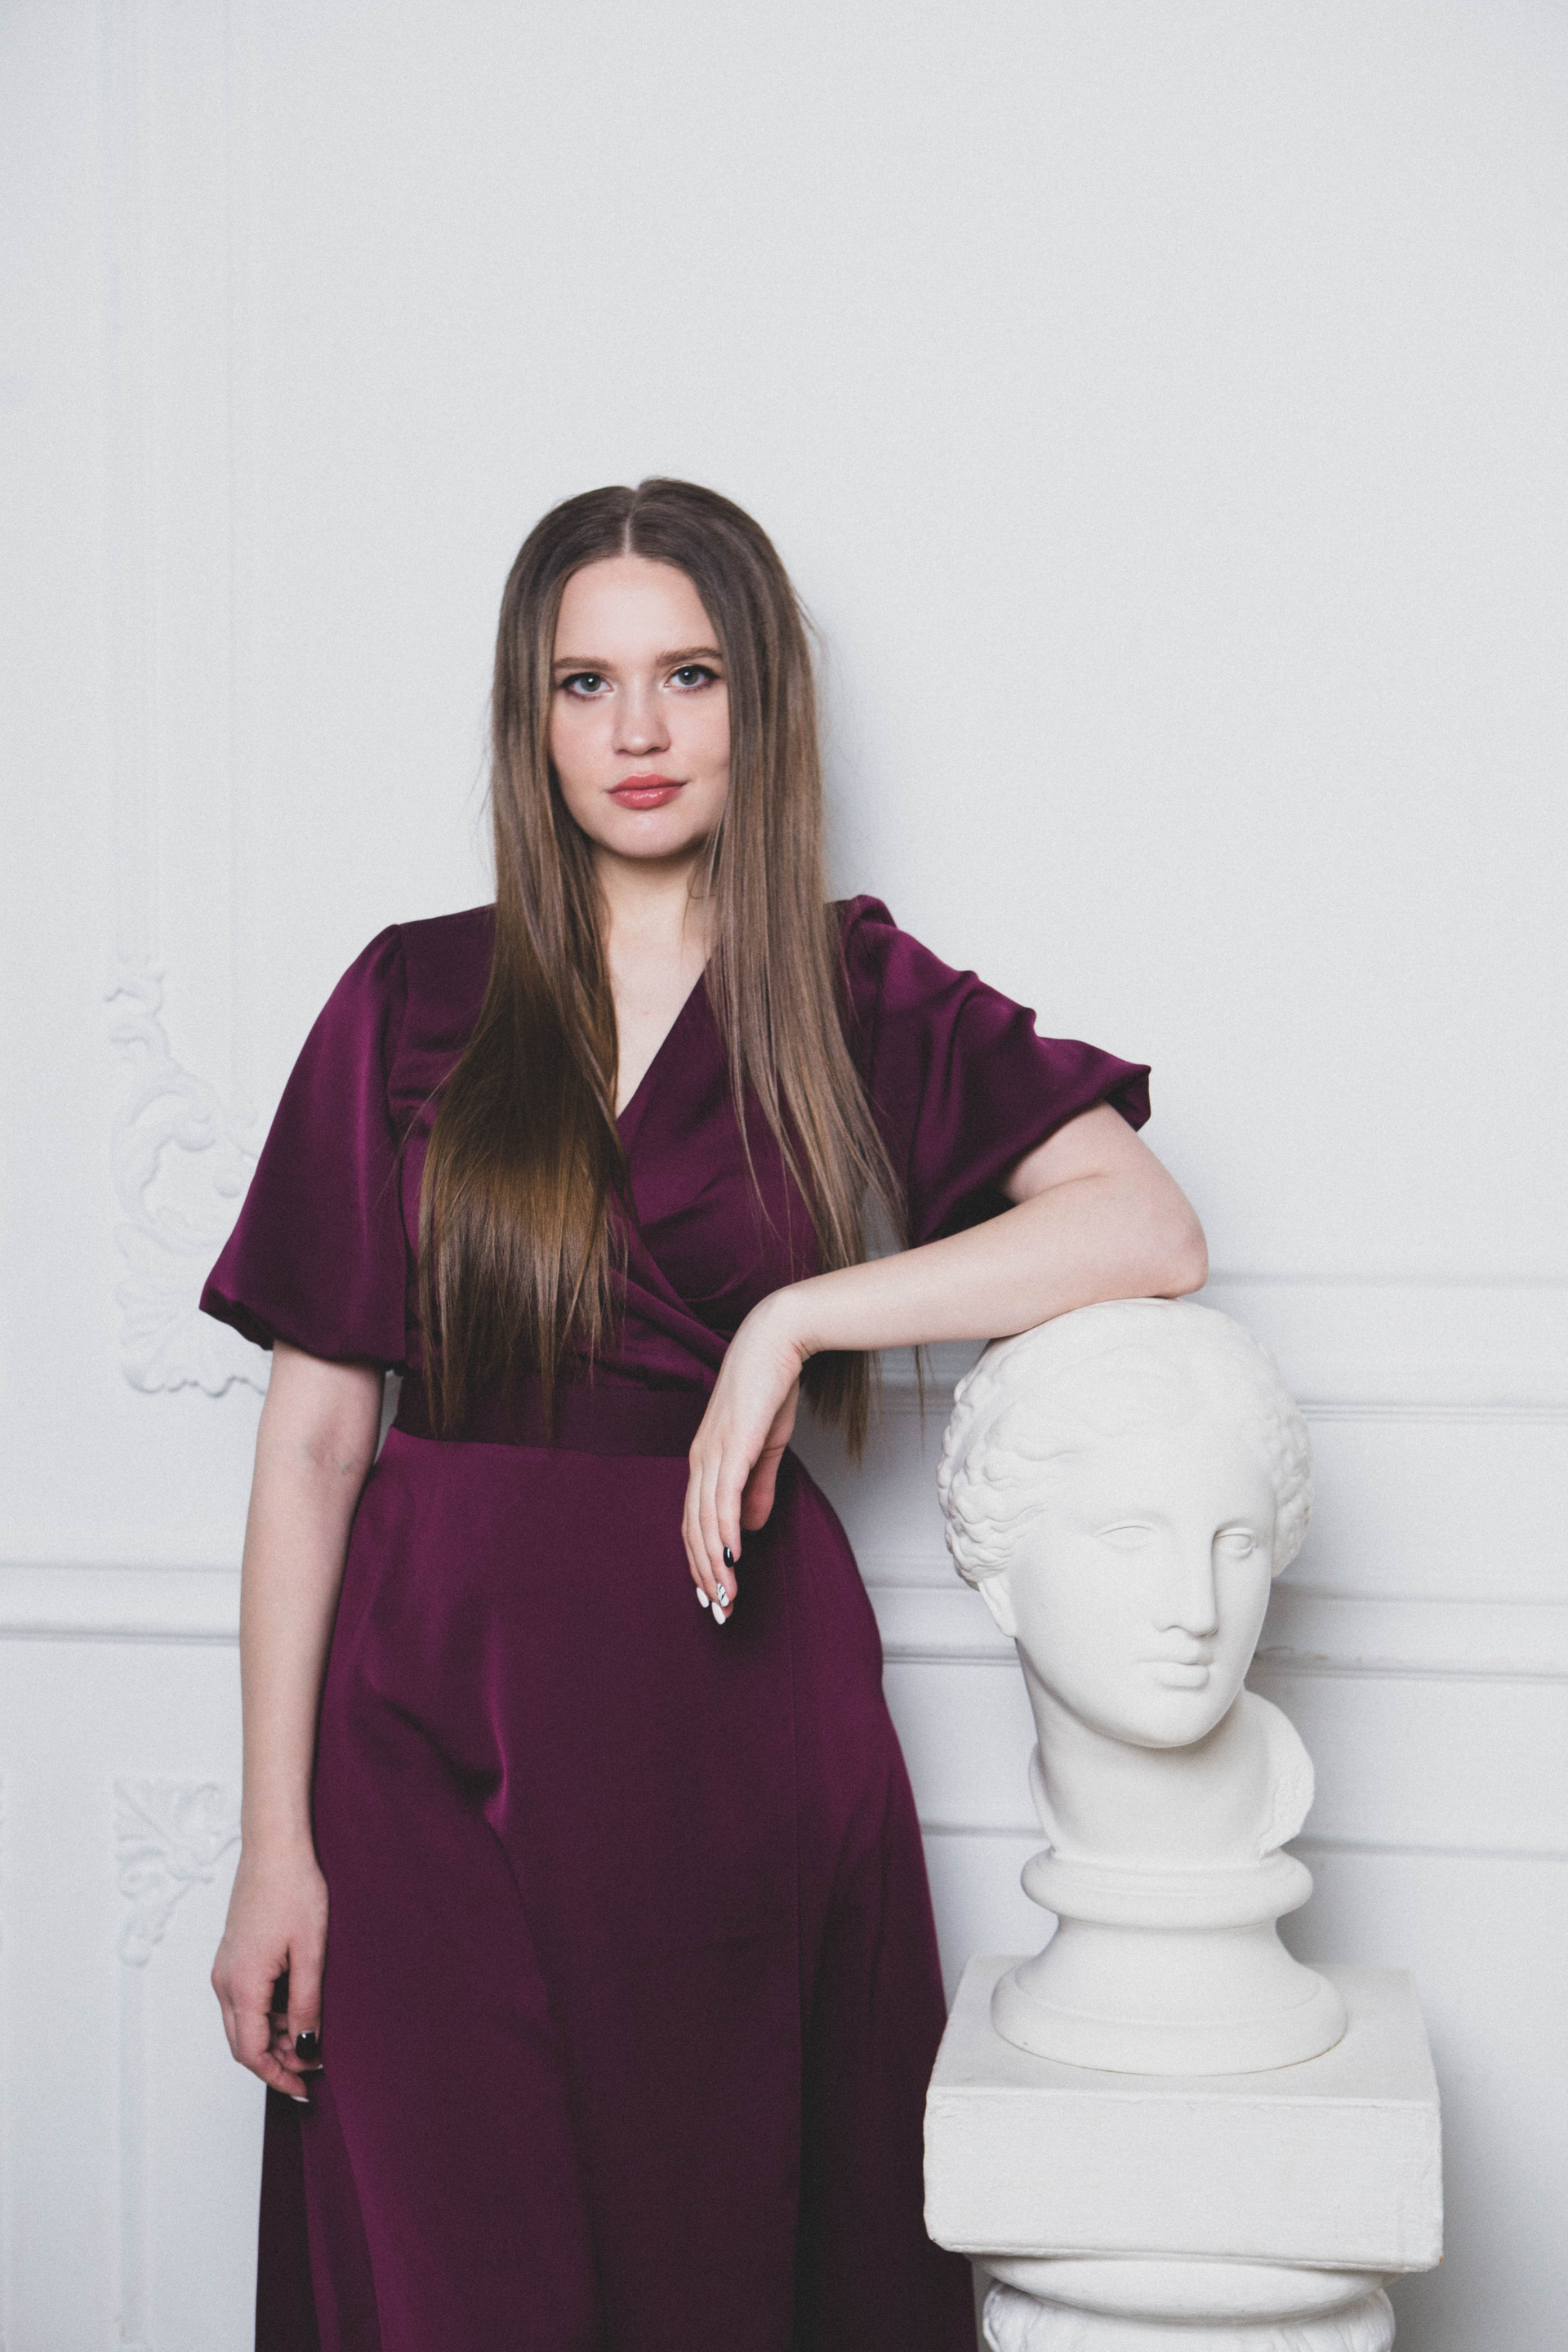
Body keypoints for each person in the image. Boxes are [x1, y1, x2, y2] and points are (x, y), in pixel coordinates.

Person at [203, 478, 1207, 2352]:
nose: (639, 731)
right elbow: (316, 1443)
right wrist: (277, 1843)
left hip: (723, 1725)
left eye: (690, 675)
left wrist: (794, 1322)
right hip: (422, 1726)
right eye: (586, 683)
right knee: (447, 2275)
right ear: (531, 718)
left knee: (711, 2263)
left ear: (762, 703)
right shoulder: (411, 995)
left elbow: (1144, 1227)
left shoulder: (849, 990)